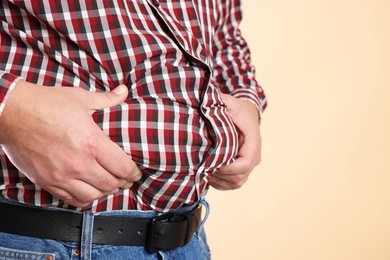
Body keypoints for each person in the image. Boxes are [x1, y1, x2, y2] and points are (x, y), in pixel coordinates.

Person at [0, 0, 266, 259]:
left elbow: (224, 34)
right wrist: (10, 110)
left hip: (189, 239)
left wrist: (245, 99)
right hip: (41, 240)